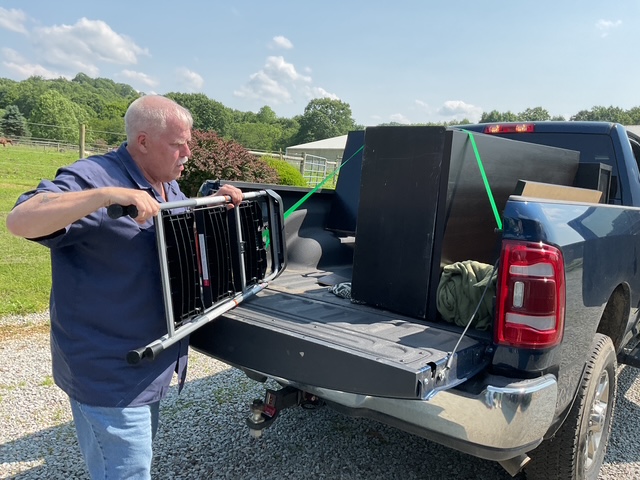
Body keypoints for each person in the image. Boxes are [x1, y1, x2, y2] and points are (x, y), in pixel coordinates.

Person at [5, 95, 243, 479]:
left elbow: (178, 241)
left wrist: (218, 203)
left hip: (149, 366)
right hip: (109, 374)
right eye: (177, 144)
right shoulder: (96, 178)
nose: (188, 152)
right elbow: (20, 220)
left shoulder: (167, 185)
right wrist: (106, 197)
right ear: (143, 141)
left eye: (189, 142)